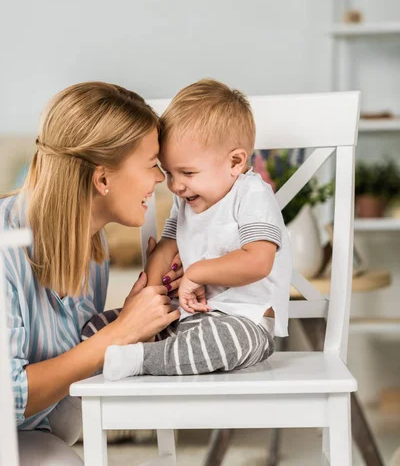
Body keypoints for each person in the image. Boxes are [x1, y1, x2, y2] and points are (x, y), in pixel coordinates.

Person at [1, 82, 182, 465]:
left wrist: (130, 319)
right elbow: (8, 397)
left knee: (68, 439)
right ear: (102, 179)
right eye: (152, 164)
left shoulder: (93, 256)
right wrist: (118, 333)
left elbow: (79, 358)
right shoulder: (5, 250)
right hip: (10, 428)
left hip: (28, 434)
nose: (160, 180)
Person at [85, 79, 292, 380]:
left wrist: (196, 273)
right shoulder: (186, 201)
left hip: (244, 319)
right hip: (186, 316)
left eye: (188, 172)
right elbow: (167, 247)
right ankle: (137, 354)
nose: (174, 184)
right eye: (168, 172)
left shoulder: (252, 195)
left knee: (223, 343)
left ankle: (142, 359)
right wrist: (151, 296)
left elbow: (259, 261)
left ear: (235, 162)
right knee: (96, 327)